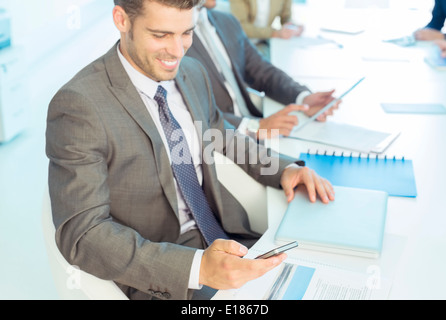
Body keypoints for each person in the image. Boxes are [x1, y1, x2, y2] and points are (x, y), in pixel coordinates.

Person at [46, 0, 334, 300]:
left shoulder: (191, 72)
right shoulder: (80, 105)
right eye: (161, 35)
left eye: (186, 33)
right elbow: (81, 234)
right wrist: (199, 268)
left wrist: (284, 169)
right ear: (121, 20)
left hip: (231, 240)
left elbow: (221, 134)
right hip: (165, 275)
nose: (178, 50)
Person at [186, 0, 339, 141]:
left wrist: (303, 98)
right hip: (221, 142)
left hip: (256, 127)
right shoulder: (174, 39)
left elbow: (262, 70)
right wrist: (254, 127)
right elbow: (192, 112)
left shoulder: (227, 22)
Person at [229, 0, 303, 59]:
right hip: (240, 44)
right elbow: (240, 26)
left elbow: (286, 17)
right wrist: (274, 33)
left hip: (263, 44)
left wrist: (292, 27)